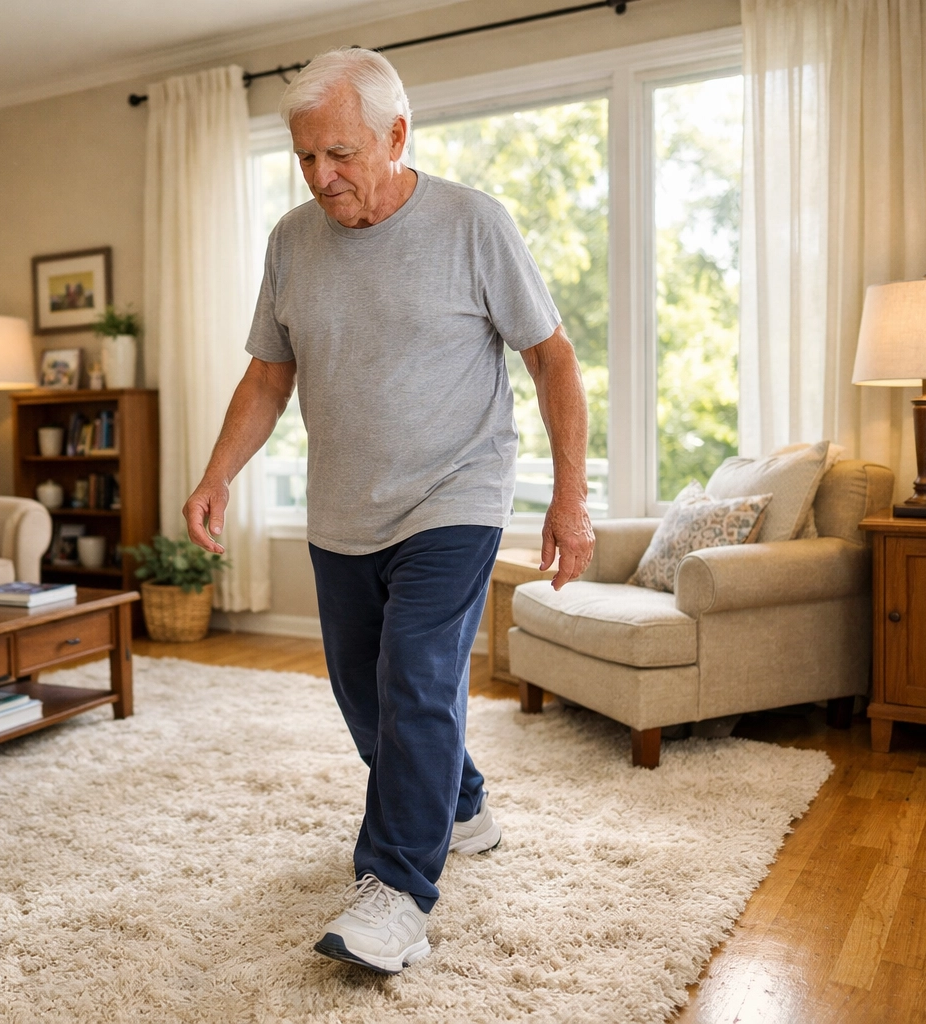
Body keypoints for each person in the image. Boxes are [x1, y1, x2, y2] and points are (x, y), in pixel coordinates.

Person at [182, 50, 594, 974]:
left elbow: (553, 359)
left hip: (457, 493)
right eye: (305, 161)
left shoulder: (472, 222)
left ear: (397, 135)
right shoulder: (292, 239)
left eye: (340, 155)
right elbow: (268, 372)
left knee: (414, 678)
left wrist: (570, 499)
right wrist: (217, 475)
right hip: (343, 508)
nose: (323, 179)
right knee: (365, 696)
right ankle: (463, 804)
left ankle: (397, 892)